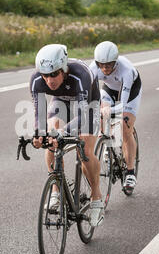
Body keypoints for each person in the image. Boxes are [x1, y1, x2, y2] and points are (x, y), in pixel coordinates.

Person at [30, 43, 104, 227]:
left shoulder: (80, 75)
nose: (49, 80)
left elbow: (83, 114)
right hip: (61, 102)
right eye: (45, 75)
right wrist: (39, 135)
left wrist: (63, 132)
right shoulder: (36, 80)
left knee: (85, 151)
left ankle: (96, 198)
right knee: (50, 138)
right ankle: (56, 190)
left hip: (87, 105)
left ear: (63, 69)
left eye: (54, 74)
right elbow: (39, 114)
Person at [89, 41, 142, 193]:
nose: (105, 68)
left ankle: (130, 172)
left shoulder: (127, 70)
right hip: (109, 89)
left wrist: (117, 115)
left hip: (130, 91)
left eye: (109, 65)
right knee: (101, 113)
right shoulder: (92, 68)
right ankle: (108, 141)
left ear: (116, 61)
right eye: (102, 65)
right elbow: (90, 95)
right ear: (97, 62)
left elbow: (122, 103)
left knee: (125, 128)